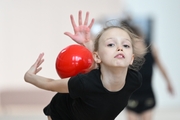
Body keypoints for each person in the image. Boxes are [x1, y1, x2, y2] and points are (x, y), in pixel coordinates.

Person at [24, 11, 146, 120]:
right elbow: (50, 84)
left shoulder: (134, 80)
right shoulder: (85, 83)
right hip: (63, 114)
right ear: (97, 57)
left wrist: (87, 42)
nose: (120, 48)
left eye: (125, 45)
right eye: (111, 44)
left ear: (132, 58)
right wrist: (29, 76)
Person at [122, 18, 174, 120]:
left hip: (147, 93)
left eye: (139, 40)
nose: (138, 44)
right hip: (132, 95)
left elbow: (160, 66)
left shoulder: (151, 48)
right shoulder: (128, 52)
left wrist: (168, 82)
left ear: (141, 37)